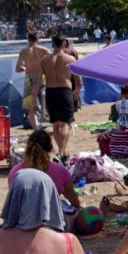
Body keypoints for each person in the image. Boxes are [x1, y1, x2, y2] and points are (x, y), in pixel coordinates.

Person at [33, 34, 81, 162]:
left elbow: (37, 82)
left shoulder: (45, 60)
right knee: (65, 123)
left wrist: (33, 100)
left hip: (50, 92)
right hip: (65, 91)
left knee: (55, 124)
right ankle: (61, 152)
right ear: (64, 43)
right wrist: (78, 90)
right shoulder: (70, 59)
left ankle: (62, 152)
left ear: (53, 44)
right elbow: (78, 79)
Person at [8, 130, 81, 210]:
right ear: (49, 149)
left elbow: (15, 202)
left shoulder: (15, 172)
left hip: (23, 219)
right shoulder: (60, 172)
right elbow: (74, 200)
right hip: (51, 218)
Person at [16, 32, 50, 129]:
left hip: (29, 77)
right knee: (45, 100)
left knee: (30, 104)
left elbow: (17, 68)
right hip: (41, 76)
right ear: (37, 39)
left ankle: (35, 127)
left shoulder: (23, 52)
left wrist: (26, 67)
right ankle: (48, 119)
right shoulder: (44, 50)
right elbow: (53, 59)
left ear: (28, 39)